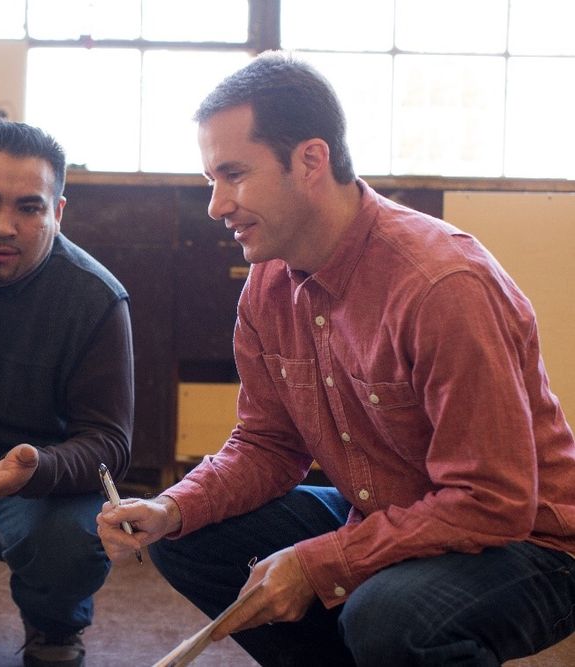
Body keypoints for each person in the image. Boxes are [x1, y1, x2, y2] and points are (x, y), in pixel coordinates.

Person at [97, 50, 575, 667]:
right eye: (211, 179)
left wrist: (321, 563)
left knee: (387, 617)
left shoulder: (441, 285)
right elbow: (267, 444)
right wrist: (170, 507)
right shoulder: (267, 284)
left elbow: (492, 502)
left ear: (310, 160)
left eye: (233, 174)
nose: (215, 205)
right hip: (387, 513)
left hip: (530, 542)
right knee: (188, 534)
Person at [0, 120, 134, 667]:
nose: (5, 227)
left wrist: (39, 467)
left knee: (70, 543)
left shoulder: (95, 299)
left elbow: (110, 443)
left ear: (57, 212)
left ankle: (54, 626)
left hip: (27, 487)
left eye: (29, 208)